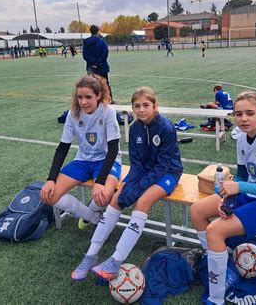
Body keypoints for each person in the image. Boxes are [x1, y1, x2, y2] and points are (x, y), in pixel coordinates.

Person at [190, 91, 256, 305]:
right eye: (239, 114)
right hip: (250, 192)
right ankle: (219, 262)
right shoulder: (240, 136)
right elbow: (241, 175)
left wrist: (238, 187)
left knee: (215, 230)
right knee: (197, 210)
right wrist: (227, 200)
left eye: (250, 113)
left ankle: (217, 297)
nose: (244, 119)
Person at [71, 86, 184, 281]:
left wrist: (138, 189)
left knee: (142, 202)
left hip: (168, 173)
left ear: (155, 106)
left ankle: (116, 261)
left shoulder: (165, 127)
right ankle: (90, 255)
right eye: (137, 106)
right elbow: (137, 164)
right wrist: (129, 185)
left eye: (146, 105)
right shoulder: (134, 129)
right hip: (145, 171)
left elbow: (162, 167)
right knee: (117, 198)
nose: (141, 110)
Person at [40, 75, 123, 233]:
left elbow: (113, 149)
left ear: (98, 95)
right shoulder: (73, 114)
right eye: (79, 97)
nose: (83, 102)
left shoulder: (108, 112)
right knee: (49, 196)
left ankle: (90, 213)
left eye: (88, 97)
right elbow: (63, 147)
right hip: (83, 160)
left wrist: (100, 181)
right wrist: (51, 179)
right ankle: (92, 216)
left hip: (106, 160)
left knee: (104, 195)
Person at [83, 25, 114, 103]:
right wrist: (98, 62)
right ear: (98, 31)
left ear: (90, 31)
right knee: (105, 84)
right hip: (102, 67)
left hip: (91, 68)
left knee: (92, 86)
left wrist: (93, 62)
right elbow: (105, 53)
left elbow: (85, 55)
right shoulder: (102, 42)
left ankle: (94, 100)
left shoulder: (86, 43)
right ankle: (109, 100)